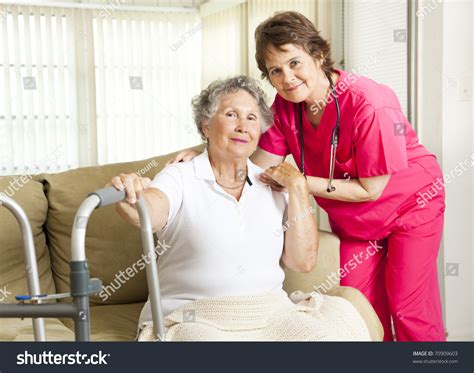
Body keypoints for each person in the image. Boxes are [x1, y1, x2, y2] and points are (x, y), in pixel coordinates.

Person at [170, 12, 446, 342]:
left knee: (407, 306)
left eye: (295, 63)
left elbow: (371, 189)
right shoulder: (286, 107)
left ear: (317, 54)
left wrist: (298, 181)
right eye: (276, 71)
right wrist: (204, 155)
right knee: (359, 310)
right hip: (357, 222)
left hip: (411, 208)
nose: (287, 78)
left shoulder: (370, 103)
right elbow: (255, 167)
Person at [108, 76, 371, 341]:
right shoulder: (180, 175)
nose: (243, 126)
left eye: (252, 118)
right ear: (206, 126)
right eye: (231, 114)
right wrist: (133, 195)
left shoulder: (275, 183)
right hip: (193, 316)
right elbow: (148, 214)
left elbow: (302, 262)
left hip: (270, 314)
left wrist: (299, 186)